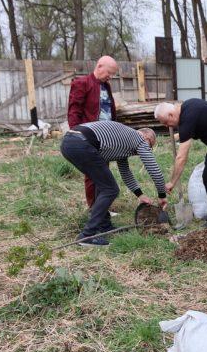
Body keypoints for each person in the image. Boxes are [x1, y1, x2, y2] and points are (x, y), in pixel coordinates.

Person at [60, 121, 167, 247]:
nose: (145, 151)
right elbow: (154, 170)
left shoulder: (124, 142)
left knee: (103, 184)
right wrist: (162, 195)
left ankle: (104, 226)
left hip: (69, 142)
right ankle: (87, 235)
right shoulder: (139, 139)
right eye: (149, 147)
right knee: (111, 189)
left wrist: (140, 195)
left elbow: (125, 173)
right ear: (147, 138)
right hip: (81, 143)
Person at [154, 99, 207, 228]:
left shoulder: (187, 118)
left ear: (171, 115)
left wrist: (172, 182)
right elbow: (199, 124)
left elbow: (181, 158)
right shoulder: (188, 107)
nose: (168, 127)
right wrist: (180, 135)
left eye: (167, 123)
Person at [67, 55, 119, 207]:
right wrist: (76, 134)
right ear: (100, 66)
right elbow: (74, 110)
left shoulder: (106, 86)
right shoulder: (82, 83)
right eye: (109, 72)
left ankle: (103, 207)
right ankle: (93, 208)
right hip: (89, 135)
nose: (110, 76)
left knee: (104, 172)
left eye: (112, 74)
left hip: (106, 136)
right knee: (92, 174)